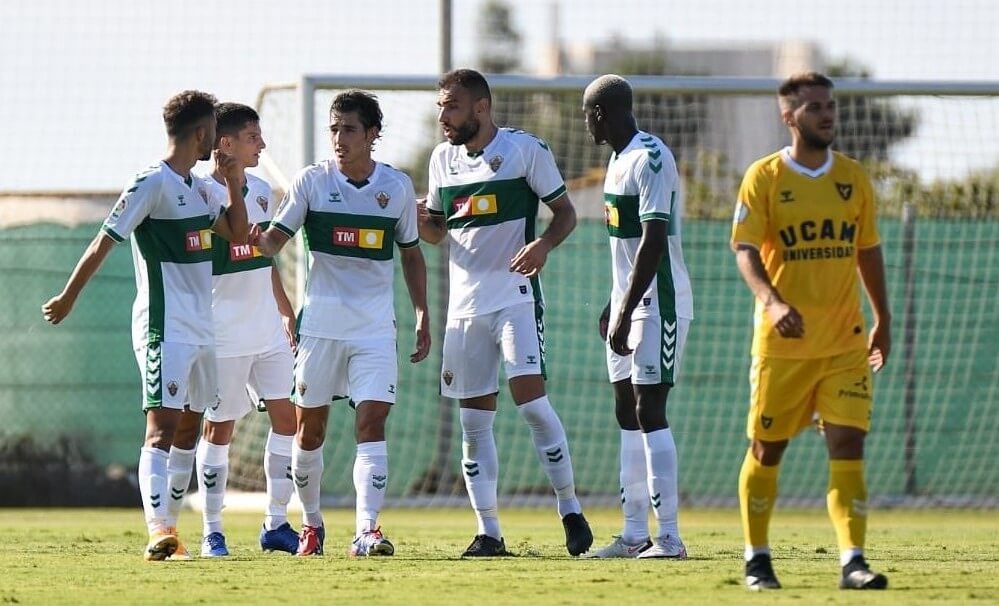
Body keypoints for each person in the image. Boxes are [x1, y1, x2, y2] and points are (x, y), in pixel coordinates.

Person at [41, 90, 249, 561]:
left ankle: (171, 533)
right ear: (201, 133)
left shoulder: (202, 188)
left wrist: (234, 182)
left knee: (189, 430)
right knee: (161, 427)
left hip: (202, 328)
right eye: (213, 132)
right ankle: (158, 529)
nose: (216, 141)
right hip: (165, 325)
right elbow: (102, 243)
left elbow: (237, 234)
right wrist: (69, 297)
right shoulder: (149, 183)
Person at [417, 68, 593, 557]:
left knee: (532, 405)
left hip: (515, 297)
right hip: (463, 310)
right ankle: (489, 532)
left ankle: (570, 509)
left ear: (481, 107)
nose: (443, 117)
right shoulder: (440, 161)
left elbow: (566, 214)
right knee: (473, 427)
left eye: (451, 106)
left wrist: (542, 246)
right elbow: (436, 230)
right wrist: (416, 221)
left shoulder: (524, 150)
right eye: (440, 108)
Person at [248, 90, 430, 557]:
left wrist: (423, 314)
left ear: (372, 135)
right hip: (320, 329)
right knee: (309, 434)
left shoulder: (397, 188)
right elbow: (274, 243)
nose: (338, 138)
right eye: (334, 129)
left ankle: (367, 530)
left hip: (374, 328)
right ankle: (311, 524)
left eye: (348, 129)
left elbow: (411, 254)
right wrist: (254, 235)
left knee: (372, 422)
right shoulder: (311, 182)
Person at [731, 72, 891, 590]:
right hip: (785, 346)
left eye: (830, 105)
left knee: (848, 445)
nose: (827, 114)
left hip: (844, 343)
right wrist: (773, 303)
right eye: (814, 107)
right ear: (789, 116)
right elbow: (745, 250)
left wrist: (883, 319)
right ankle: (757, 558)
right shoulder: (765, 177)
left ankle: (853, 562)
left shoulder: (854, 178)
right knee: (767, 449)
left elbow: (867, 250)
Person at [579, 75, 694, 559]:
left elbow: (651, 242)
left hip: (660, 302)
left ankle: (668, 537)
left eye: (586, 113)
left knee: (650, 409)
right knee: (626, 412)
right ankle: (632, 535)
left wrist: (626, 311)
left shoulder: (651, 156)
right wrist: (615, 303)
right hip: (629, 302)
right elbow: (624, 253)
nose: (584, 123)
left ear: (601, 113)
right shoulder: (616, 160)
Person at [190, 102, 299, 557]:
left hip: (267, 332)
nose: (263, 145)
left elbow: (262, 257)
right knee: (220, 430)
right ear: (226, 143)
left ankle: (276, 523)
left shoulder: (259, 190)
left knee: (288, 421)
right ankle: (212, 530)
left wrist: (285, 309)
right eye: (254, 137)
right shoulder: (195, 192)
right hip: (223, 334)